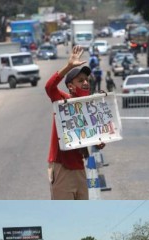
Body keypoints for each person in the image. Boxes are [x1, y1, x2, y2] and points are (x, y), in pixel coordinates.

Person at [45, 45, 105, 200]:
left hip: (79, 168)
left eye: (86, 80)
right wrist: (69, 66)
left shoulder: (90, 108)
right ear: (71, 86)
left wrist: (98, 141)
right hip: (62, 167)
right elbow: (49, 87)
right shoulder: (63, 101)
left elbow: (88, 137)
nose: (85, 83)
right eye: (80, 80)